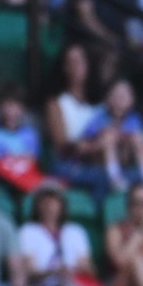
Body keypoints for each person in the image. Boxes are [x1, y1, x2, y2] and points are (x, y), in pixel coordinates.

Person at [19, 182, 105, 286]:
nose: (49, 205)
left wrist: (76, 269)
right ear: (37, 204)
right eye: (44, 200)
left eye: (54, 200)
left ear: (62, 204)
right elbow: (29, 273)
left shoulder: (76, 231)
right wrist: (54, 272)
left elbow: (90, 268)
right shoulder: (28, 231)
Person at [45, 42, 107, 203]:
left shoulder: (99, 105)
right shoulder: (56, 102)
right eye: (71, 62)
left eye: (80, 61)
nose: (76, 67)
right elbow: (61, 145)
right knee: (103, 177)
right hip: (67, 163)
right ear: (64, 67)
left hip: (95, 160)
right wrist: (90, 147)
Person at [79, 77, 143, 194]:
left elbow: (138, 141)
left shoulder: (134, 119)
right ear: (108, 98)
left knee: (139, 138)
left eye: (124, 96)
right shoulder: (100, 116)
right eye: (116, 95)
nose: (120, 99)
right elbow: (85, 141)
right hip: (100, 159)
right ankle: (114, 177)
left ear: (132, 100)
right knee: (109, 136)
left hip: (126, 157)